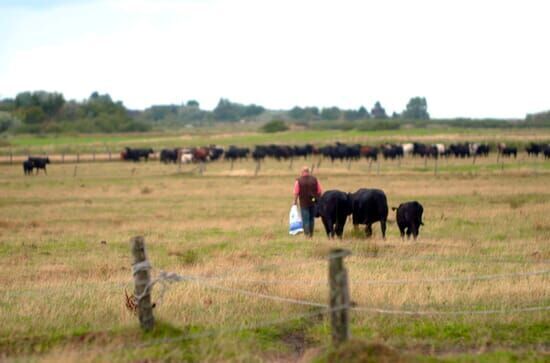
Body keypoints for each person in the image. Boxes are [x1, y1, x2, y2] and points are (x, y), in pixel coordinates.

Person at [293, 166, 323, 237]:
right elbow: (319, 191)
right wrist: (319, 201)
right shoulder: (314, 179)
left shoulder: (298, 181)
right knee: (311, 219)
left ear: (302, 172)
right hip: (313, 202)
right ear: (308, 172)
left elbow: (296, 192)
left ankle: (307, 235)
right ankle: (311, 235)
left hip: (304, 203)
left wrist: (295, 202)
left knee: (305, 220)